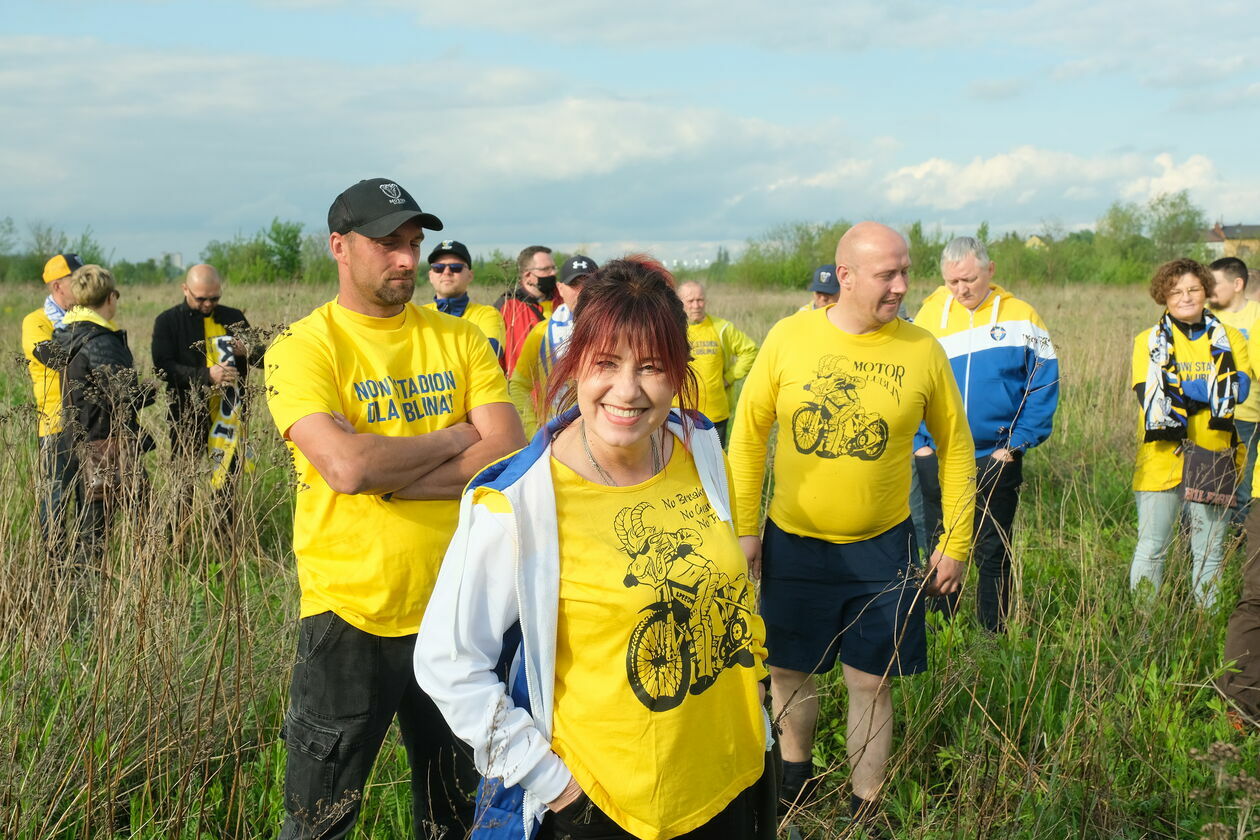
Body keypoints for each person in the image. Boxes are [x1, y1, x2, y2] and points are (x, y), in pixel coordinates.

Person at [415, 257, 773, 840]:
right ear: (575, 361)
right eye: (606, 363)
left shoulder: (699, 445)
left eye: (653, 367)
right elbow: (447, 662)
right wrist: (555, 787)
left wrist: (753, 683)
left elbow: (730, 576)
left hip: (733, 777)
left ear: (679, 372)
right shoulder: (517, 502)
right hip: (607, 808)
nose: (627, 391)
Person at [264, 177, 526, 840]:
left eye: (415, 242)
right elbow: (346, 468)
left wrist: (396, 473)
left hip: (461, 611)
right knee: (321, 820)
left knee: (455, 814)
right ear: (339, 247)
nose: (408, 259)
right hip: (351, 615)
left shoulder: (460, 339)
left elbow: (507, 456)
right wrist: (452, 436)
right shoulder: (305, 347)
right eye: (388, 243)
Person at [729, 222, 975, 821]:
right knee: (788, 668)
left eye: (905, 271)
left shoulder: (921, 348)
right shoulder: (789, 337)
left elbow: (958, 449)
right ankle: (795, 778)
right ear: (845, 276)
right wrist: (745, 529)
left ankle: (867, 805)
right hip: (793, 542)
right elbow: (748, 437)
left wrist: (955, 541)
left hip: (883, 546)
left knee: (871, 679)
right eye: (887, 273)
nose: (901, 284)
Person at [912, 236, 1060, 632]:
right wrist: (919, 445)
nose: (961, 290)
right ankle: (943, 634)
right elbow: (908, 386)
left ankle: (991, 638)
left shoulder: (1023, 316)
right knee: (939, 545)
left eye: (970, 279)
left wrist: (1014, 445)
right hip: (937, 455)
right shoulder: (927, 317)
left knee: (993, 549)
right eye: (952, 282)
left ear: (990, 270)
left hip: (996, 455)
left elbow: (1043, 383)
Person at [1129, 258, 1250, 608]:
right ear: (1163, 295)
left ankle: (1203, 625)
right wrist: (1210, 390)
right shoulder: (1147, 341)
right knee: (1152, 549)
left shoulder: (1227, 337)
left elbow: (1238, 391)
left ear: (1205, 292)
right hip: (1160, 459)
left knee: (1209, 555)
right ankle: (1144, 628)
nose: (1186, 297)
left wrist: (1184, 388)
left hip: (1214, 454)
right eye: (1176, 291)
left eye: (1193, 289)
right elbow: (1150, 395)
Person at [44, 264, 155, 563]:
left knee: (90, 528)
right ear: (110, 298)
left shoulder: (67, 334)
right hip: (108, 446)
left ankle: (84, 592)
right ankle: (105, 593)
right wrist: (150, 390)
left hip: (75, 440)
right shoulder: (102, 340)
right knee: (145, 525)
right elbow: (123, 394)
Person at [152, 263, 262, 504]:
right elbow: (163, 368)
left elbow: (262, 358)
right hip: (187, 415)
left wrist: (248, 351)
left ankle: (225, 538)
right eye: (201, 298)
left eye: (214, 298)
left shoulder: (233, 317)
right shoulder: (167, 322)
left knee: (228, 483)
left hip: (229, 415)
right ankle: (179, 536)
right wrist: (207, 376)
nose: (208, 304)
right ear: (185, 289)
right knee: (184, 482)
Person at [22, 252, 84, 562]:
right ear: (58, 286)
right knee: (55, 501)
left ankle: (89, 565)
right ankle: (57, 568)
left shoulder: (89, 317)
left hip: (90, 424)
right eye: (78, 280)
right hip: (55, 426)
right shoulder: (36, 321)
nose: (85, 286)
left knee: (91, 500)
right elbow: (53, 358)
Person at [509, 254, 597, 437]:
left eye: (588, 284)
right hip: (554, 436)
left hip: (604, 435)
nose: (581, 291)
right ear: (560, 288)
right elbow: (518, 384)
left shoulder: (619, 330)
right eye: (574, 285)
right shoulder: (541, 332)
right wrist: (533, 430)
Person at [1209, 256, 1260, 527]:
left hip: (1255, 412)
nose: (1209, 289)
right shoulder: (1209, 317)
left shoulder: (1257, 314)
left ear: (1238, 284)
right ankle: (1231, 543)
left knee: (1251, 485)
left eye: (1215, 283)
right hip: (1230, 413)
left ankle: (1245, 543)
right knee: (1229, 482)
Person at [677, 281, 758, 446]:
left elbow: (750, 351)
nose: (696, 305)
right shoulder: (673, 330)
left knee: (717, 465)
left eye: (700, 300)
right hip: (679, 414)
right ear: (679, 303)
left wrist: (729, 378)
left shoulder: (722, 328)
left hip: (716, 414)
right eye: (690, 301)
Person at [423, 239, 507, 368]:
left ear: (470, 275)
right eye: (438, 268)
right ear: (430, 275)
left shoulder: (488, 314)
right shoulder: (418, 315)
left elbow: (490, 353)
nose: (446, 272)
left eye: (456, 267)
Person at [497, 245, 558, 376]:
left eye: (553, 268)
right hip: (524, 390)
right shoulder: (507, 308)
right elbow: (496, 358)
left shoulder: (563, 299)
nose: (553, 273)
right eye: (546, 269)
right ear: (528, 275)